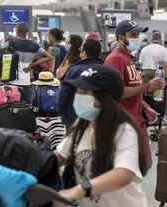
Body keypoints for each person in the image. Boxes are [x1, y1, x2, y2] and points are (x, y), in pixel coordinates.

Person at [55, 65, 148, 207]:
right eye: (79, 90)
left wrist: (79, 190)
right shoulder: (81, 125)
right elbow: (59, 156)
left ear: (104, 99)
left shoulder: (124, 130)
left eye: (85, 92)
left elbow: (124, 173)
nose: (78, 96)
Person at [105, 20, 164, 170]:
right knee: (129, 169)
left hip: (136, 121)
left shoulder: (128, 59)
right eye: (133, 35)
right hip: (123, 125)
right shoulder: (115, 59)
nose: (136, 38)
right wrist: (147, 87)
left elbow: (132, 87)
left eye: (138, 34)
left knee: (142, 165)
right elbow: (116, 92)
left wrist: (144, 106)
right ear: (120, 37)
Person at [59, 39, 102, 128]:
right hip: (98, 118)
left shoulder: (74, 69)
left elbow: (64, 92)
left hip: (74, 116)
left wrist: (61, 111)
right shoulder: (105, 69)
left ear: (84, 53)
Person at [8, 23, 54, 104]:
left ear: (17, 31)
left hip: (11, 80)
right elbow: (50, 57)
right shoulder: (34, 45)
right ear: (27, 32)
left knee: (11, 106)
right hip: (26, 81)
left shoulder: (11, 43)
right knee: (27, 106)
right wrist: (33, 64)